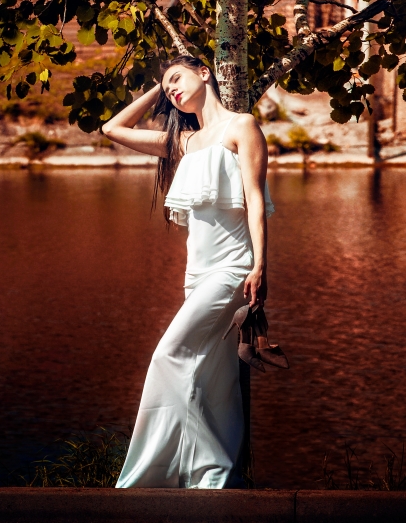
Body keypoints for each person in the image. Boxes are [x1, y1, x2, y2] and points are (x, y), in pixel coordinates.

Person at [102, 55, 275, 489]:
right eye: (167, 87)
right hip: (196, 275)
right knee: (214, 381)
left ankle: (144, 479)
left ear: (205, 72)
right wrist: (159, 90)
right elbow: (112, 129)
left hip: (233, 266)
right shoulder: (186, 142)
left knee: (168, 355)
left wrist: (260, 265)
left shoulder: (242, 127)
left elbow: (255, 199)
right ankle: (215, 477)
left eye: (177, 78)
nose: (173, 90)